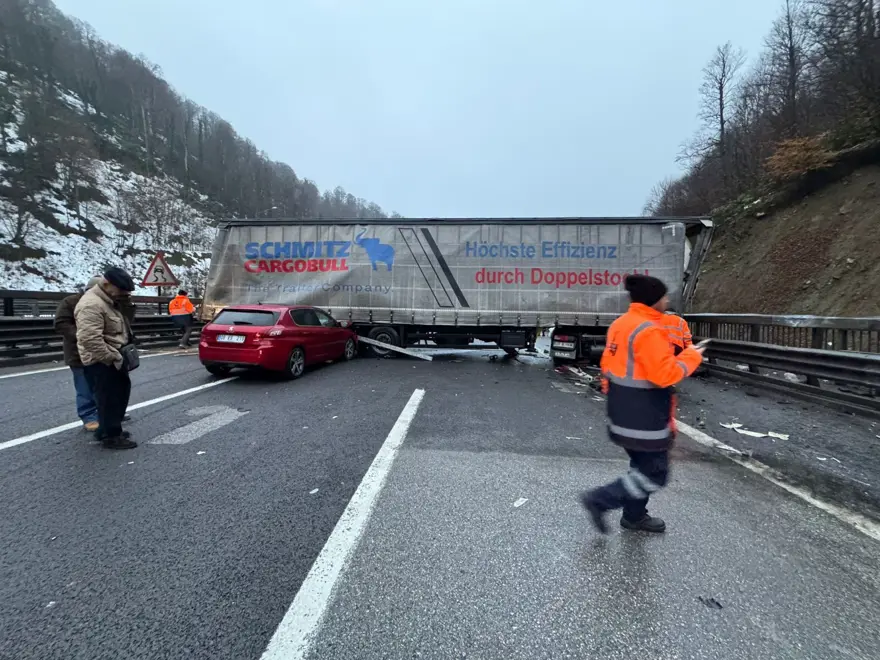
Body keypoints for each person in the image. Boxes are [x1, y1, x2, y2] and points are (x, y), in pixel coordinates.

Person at [581, 274, 704, 534]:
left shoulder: (621, 324)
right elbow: (665, 375)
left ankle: (634, 516)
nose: (667, 300)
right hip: (645, 415)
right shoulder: (650, 330)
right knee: (654, 474)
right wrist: (692, 356)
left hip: (622, 409)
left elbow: (608, 366)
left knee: (641, 466)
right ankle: (599, 500)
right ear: (654, 300)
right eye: (664, 296)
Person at [75, 267, 137, 450]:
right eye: (121, 290)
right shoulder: (92, 305)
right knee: (110, 398)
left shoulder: (110, 301)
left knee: (119, 393)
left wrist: (126, 302)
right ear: (106, 284)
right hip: (103, 360)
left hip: (114, 356)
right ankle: (112, 436)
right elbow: (89, 339)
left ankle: (106, 429)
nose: (124, 294)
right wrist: (113, 358)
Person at [54, 276, 103, 432]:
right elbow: (61, 323)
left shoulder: (106, 302)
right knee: (84, 386)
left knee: (104, 385)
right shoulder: (71, 302)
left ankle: (106, 413)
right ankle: (89, 416)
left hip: (100, 351)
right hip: (78, 352)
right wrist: (82, 336)